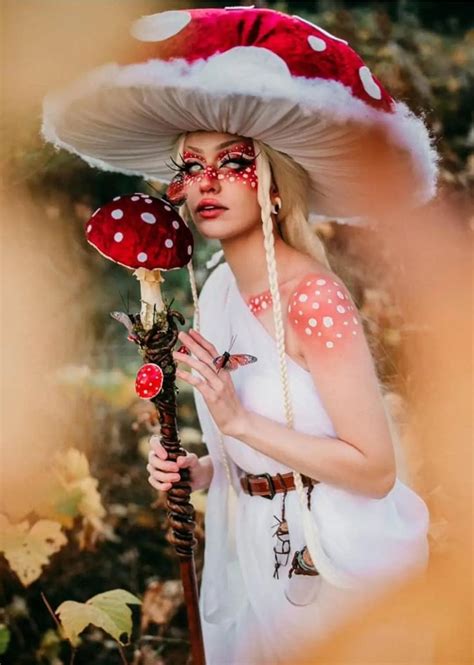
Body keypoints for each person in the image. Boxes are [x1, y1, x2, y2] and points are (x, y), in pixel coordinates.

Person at [40, 6, 439, 663]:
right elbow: (244, 446)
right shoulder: (219, 284)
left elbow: (374, 469)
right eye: (191, 165)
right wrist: (197, 469)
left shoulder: (313, 298)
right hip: (252, 537)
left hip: (331, 552)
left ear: (275, 182)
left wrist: (238, 421)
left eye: (233, 160)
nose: (207, 182)